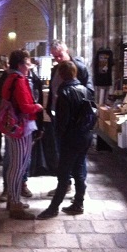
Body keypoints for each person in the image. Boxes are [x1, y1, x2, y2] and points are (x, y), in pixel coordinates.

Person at [37, 61, 94, 219]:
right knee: (79, 170)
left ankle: (53, 208)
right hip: (85, 135)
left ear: (61, 75)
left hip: (70, 139)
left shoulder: (64, 93)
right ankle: (78, 203)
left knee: (63, 174)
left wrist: (59, 136)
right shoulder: (85, 90)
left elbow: (63, 121)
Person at [46, 40, 94, 196]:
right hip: (58, 116)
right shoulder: (56, 69)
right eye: (55, 57)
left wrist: (76, 108)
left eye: (59, 55)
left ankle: (80, 189)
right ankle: (65, 184)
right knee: (61, 153)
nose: (58, 59)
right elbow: (54, 91)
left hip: (76, 121)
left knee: (79, 158)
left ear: (66, 50)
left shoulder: (79, 67)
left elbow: (89, 92)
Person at [1, 50, 43, 220]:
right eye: (27, 63)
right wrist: (38, 107)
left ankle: (13, 199)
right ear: (19, 65)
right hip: (20, 127)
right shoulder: (18, 80)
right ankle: (15, 204)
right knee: (18, 165)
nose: (29, 66)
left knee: (16, 164)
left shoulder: (11, 78)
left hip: (15, 126)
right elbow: (26, 106)